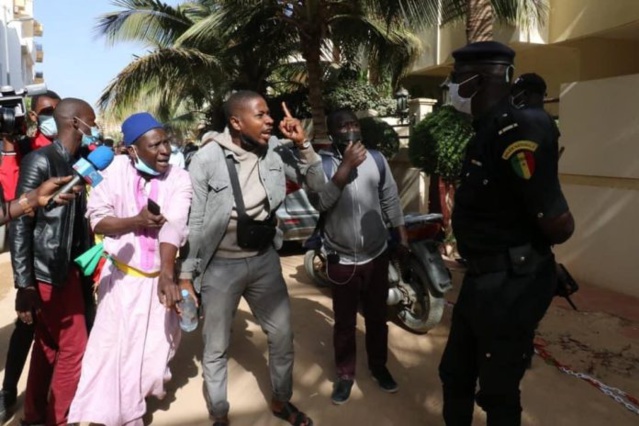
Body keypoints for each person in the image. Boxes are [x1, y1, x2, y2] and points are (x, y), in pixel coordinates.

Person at [438, 41, 575, 425]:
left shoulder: (516, 131)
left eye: (456, 79)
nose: (451, 88)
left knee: (497, 389)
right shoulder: (486, 131)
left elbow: (558, 224)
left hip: (511, 284)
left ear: (478, 81)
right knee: (455, 372)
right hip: (481, 278)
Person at [179, 91, 324, 426]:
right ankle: (219, 413)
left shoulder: (274, 147)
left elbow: (317, 185)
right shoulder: (206, 159)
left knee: (282, 336)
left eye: (269, 113)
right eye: (260, 115)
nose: (270, 120)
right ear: (235, 121)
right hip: (220, 266)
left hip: (263, 261)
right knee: (215, 345)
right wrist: (187, 274)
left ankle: (281, 400)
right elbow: (196, 220)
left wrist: (304, 146)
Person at [68, 112, 192, 426]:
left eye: (166, 142)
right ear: (133, 149)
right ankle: (122, 417)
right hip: (121, 283)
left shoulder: (179, 177)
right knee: (114, 358)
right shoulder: (113, 171)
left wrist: (167, 274)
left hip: (157, 286)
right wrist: (135, 221)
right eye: (155, 145)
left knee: (153, 361)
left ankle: (131, 405)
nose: (164, 150)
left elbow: (175, 225)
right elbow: (98, 219)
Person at [303, 108, 409, 405]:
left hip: (376, 255)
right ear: (333, 132)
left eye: (354, 124)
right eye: (343, 126)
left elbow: (390, 198)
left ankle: (379, 367)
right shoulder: (321, 166)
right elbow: (322, 203)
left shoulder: (377, 159)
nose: (350, 129)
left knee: (377, 318)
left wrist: (401, 235)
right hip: (342, 260)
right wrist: (346, 166)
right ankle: (345, 374)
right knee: (345, 323)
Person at [10, 98, 100, 426]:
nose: (96, 126)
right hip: (48, 272)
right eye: (93, 121)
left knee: (48, 346)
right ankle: (58, 419)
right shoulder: (40, 160)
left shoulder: (81, 162)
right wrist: (25, 283)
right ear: (77, 123)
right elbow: (21, 224)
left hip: (72, 269)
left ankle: (33, 415)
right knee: (75, 348)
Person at [0, 90, 63, 423]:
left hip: (63, 249)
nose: (55, 114)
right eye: (48, 110)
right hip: (29, 245)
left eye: (59, 108)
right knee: (26, 324)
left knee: (68, 325)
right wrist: (10, 146)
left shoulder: (71, 150)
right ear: (35, 117)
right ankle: (9, 390)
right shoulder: (23, 149)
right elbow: (11, 200)